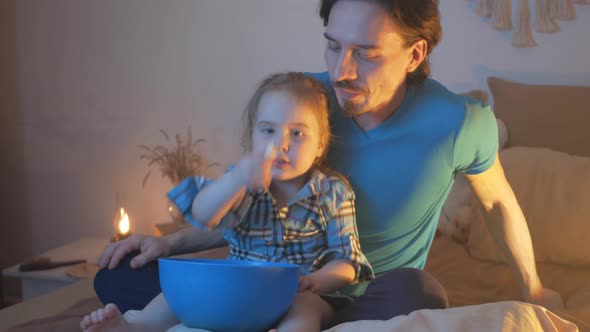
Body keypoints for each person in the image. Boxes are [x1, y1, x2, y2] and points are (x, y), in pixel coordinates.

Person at [94, 0, 564, 326]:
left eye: (365, 54)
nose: (342, 70)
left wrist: (535, 290)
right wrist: (172, 244)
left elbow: (500, 205)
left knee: (421, 294)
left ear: (415, 54)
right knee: (115, 276)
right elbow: (256, 210)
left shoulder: (460, 122)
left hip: (366, 293)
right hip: (273, 280)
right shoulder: (303, 105)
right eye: (334, 45)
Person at [82, 72, 374, 332]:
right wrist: (237, 180)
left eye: (297, 133)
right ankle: (137, 325)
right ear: (252, 136)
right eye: (268, 130)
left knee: (304, 309)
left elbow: (347, 260)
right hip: (239, 287)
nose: (280, 144)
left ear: (321, 143)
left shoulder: (333, 193)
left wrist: (319, 280)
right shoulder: (241, 184)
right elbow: (203, 214)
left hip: (299, 292)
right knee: (185, 292)